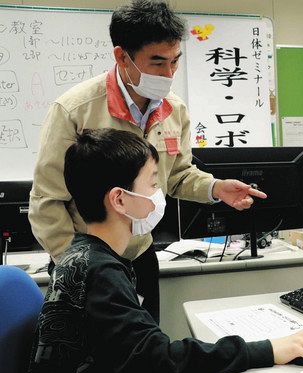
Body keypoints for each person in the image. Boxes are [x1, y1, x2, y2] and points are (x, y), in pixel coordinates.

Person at [24, 128, 303, 373]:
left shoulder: (86, 255)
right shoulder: (101, 273)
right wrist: (270, 349)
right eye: (152, 184)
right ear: (119, 199)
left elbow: (130, 357)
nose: (159, 194)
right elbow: (164, 361)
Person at [28, 0, 258, 324]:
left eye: (175, 61)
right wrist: (79, 265)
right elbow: (47, 201)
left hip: (140, 256)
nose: (169, 74)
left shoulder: (174, 109)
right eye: (157, 62)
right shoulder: (75, 110)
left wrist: (215, 188)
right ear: (122, 57)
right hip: (86, 259)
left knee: (145, 349)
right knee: (90, 354)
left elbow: (177, 176)